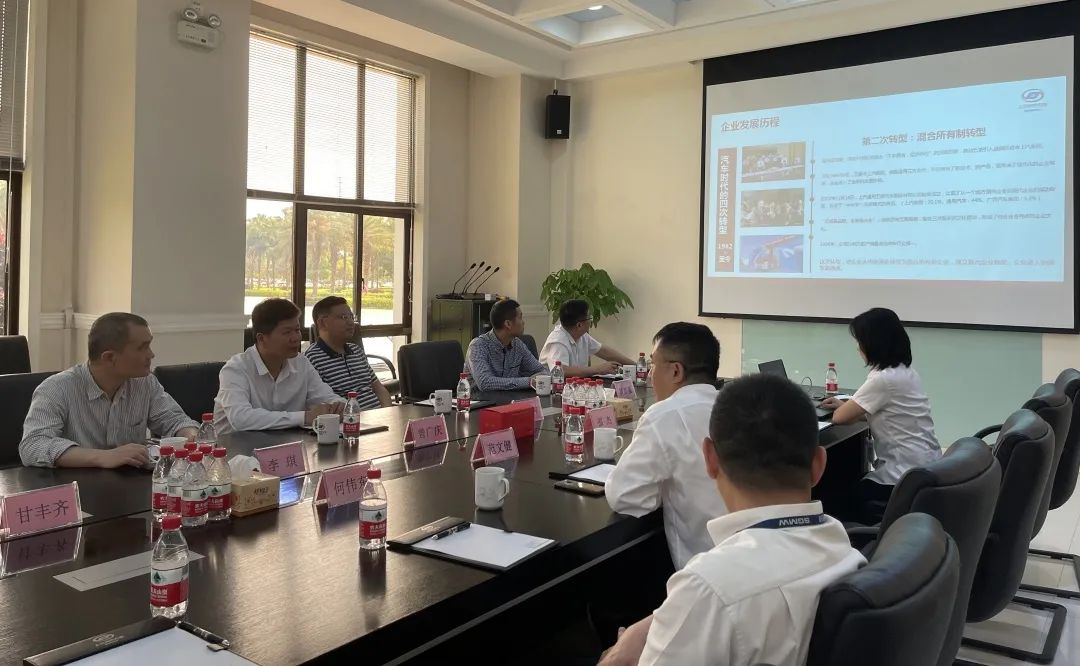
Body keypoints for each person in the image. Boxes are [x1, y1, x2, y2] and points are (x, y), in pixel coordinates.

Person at [600, 374, 866, 666]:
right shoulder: (842, 544)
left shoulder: (708, 587)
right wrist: (657, 623)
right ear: (818, 465)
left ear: (710, 459)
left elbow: (715, 597)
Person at [606, 322, 725, 569]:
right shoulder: (735, 406)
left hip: (705, 572)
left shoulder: (665, 415)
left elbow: (624, 496)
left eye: (653, 365)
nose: (650, 375)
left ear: (675, 371)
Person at [19, 313, 198, 468]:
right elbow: (33, 445)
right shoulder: (56, 388)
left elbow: (175, 420)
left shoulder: (145, 383)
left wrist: (190, 435)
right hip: (76, 488)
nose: (151, 354)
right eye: (142, 347)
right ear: (109, 357)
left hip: (130, 487)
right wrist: (103, 457)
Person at [820, 307, 941, 521]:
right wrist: (847, 405)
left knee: (831, 497)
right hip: (925, 468)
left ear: (873, 343)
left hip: (901, 476)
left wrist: (844, 407)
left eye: (860, 341)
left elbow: (840, 418)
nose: (858, 347)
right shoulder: (906, 372)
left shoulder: (883, 379)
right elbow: (882, 412)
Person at [214, 298, 344, 434]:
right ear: (261, 338)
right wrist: (305, 417)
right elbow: (241, 418)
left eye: (297, 330)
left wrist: (340, 407)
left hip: (285, 443)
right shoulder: (236, 369)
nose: (296, 338)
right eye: (287, 332)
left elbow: (326, 396)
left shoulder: (302, 363)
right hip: (235, 445)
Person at [304, 295, 391, 409]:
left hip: (381, 415)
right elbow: (321, 404)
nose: (351, 322)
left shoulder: (356, 351)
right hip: (350, 418)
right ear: (322, 323)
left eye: (351, 317)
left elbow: (380, 390)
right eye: (344, 317)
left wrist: (387, 412)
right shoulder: (311, 359)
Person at [464, 298, 548, 391]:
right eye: (520, 318)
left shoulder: (517, 344)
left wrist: (535, 379)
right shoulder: (478, 346)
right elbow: (485, 382)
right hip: (481, 399)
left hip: (511, 398)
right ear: (508, 324)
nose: (523, 322)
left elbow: (542, 371)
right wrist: (528, 382)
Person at [538, 299, 635, 378]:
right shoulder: (558, 341)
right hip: (554, 392)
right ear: (579, 325)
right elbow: (561, 371)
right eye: (589, 318)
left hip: (575, 387)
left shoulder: (582, 335)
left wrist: (636, 366)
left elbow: (604, 351)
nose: (591, 321)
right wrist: (598, 369)